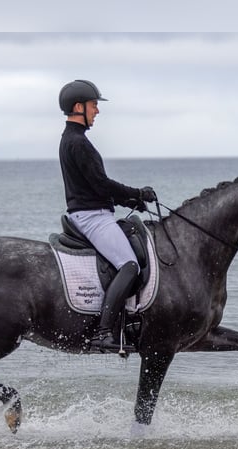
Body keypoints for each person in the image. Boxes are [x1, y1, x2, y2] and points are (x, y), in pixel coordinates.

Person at [58, 79, 157, 353]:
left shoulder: (72, 140)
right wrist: (136, 194)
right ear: (79, 107)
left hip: (92, 211)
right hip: (91, 216)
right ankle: (103, 333)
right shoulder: (78, 143)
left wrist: (131, 200)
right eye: (93, 106)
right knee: (130, 265)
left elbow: (96, 185)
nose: (97, 112)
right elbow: (101, 184)